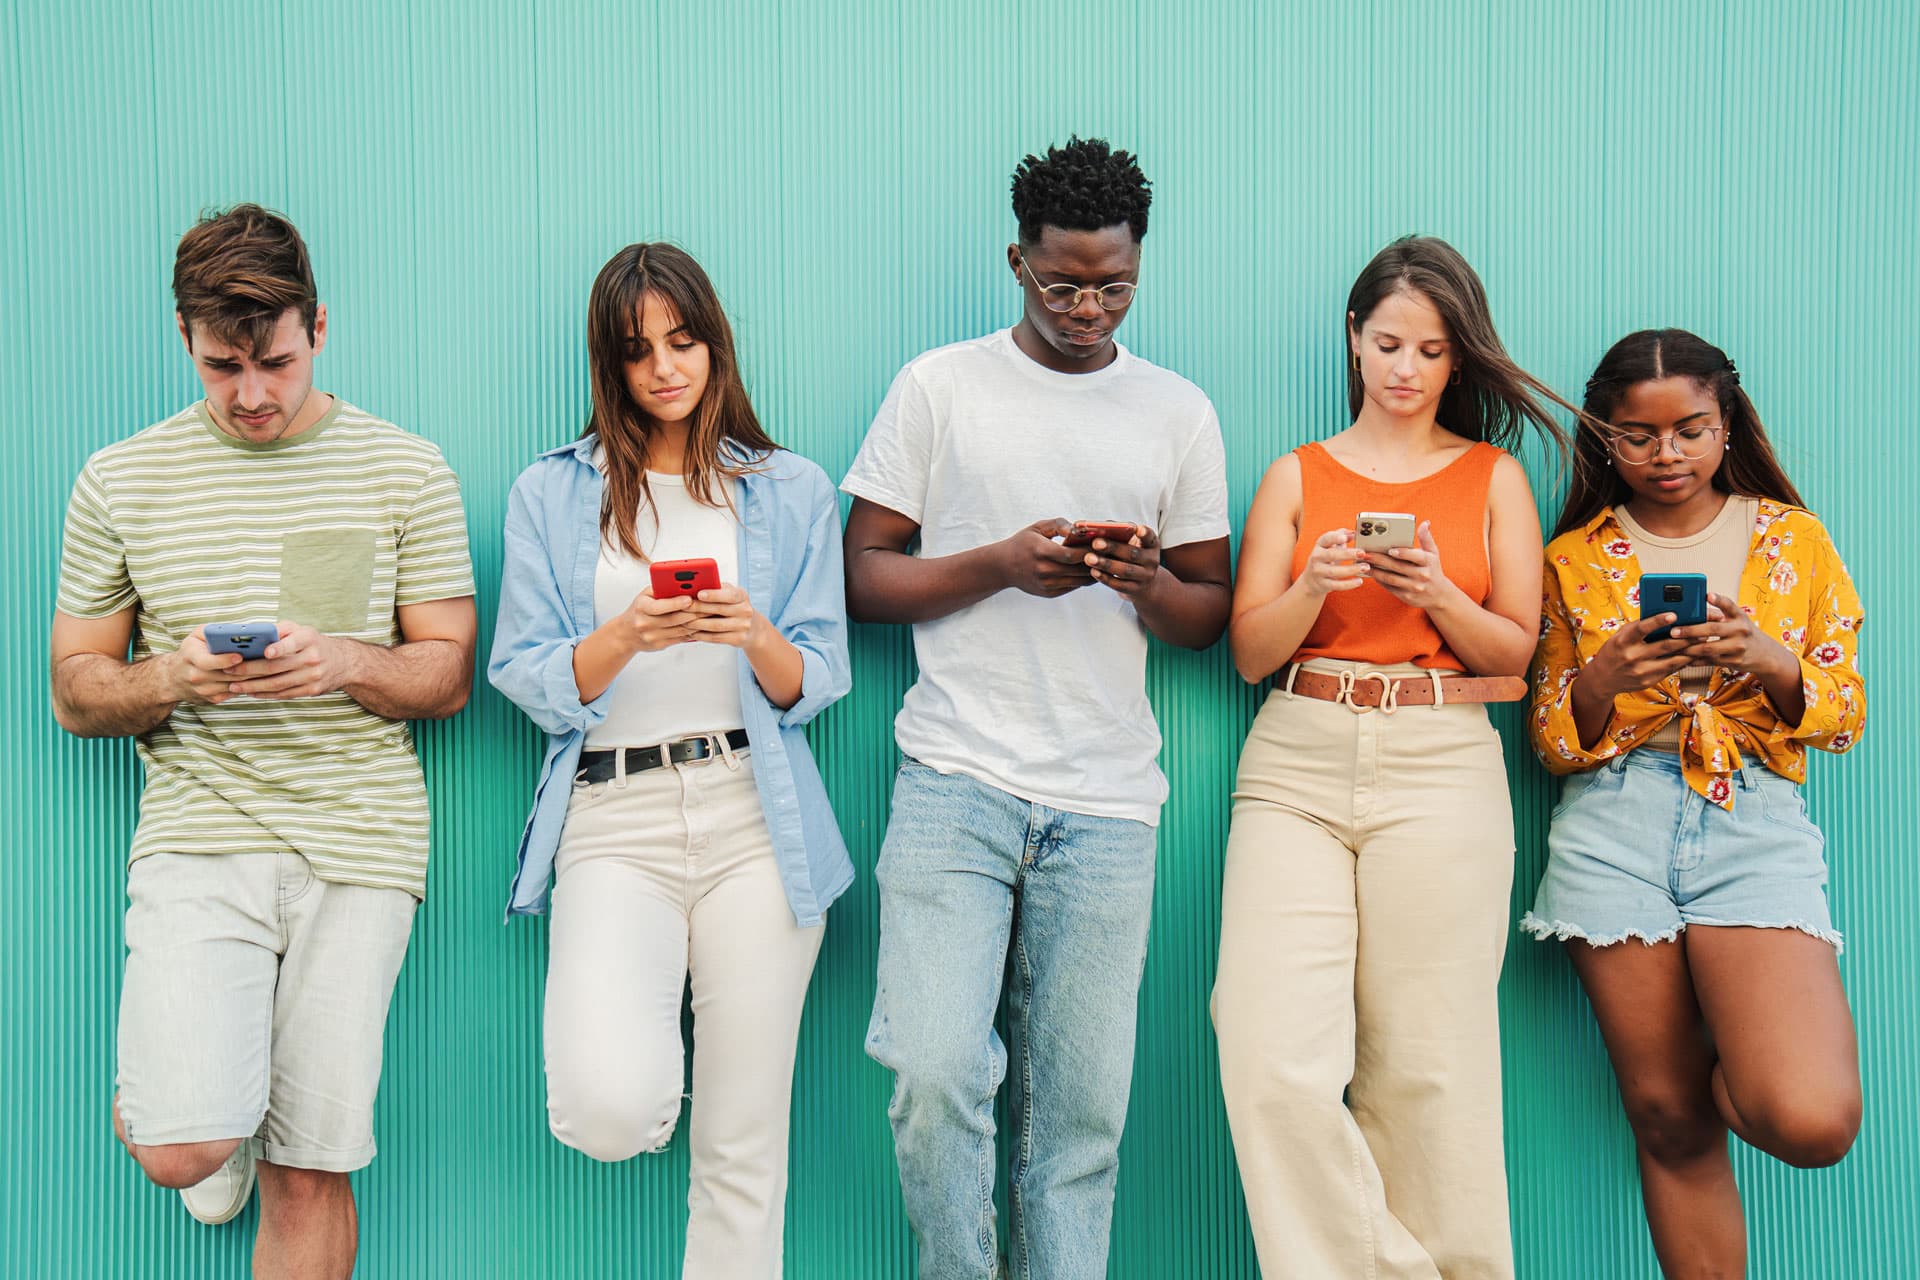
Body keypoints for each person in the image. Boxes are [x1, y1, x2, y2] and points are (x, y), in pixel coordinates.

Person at [49, 204, 476, 1277]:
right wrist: (168, 677)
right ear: (185, 341)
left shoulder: (407, 468)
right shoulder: (120, 478)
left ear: (319, 328)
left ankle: (247, 1116)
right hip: (201, 833)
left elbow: (449, 671)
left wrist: (346, 661)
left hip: (361, 842)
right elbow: (74, 688)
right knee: (177, 1143)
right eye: (221, 365)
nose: (250, 394)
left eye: (275, 362)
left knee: (311, 1166)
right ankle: (211, 1121)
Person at [842, 136, 1232, 1280]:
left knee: (1078, 1125)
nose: (1087, 307)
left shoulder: (1176, 411)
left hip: (1108, 802)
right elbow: (863, 575)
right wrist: (1001, 563)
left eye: (1113, 284)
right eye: (1063, 282)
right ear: (1016, 260)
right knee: (931, 1068)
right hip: (954, 780)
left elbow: (1207, 608)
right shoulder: (940, 385)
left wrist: (1142, 580)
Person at [489, 242, 851, 1278]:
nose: (665, 368)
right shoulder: (552, 492)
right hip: (612, 816)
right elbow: (524, 671)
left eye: (683, 340)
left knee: (743, 1145)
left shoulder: (789, 489)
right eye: (639, 348)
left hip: (756, 812)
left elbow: (817, 677)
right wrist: (627, 636)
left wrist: (750, 632)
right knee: (606, 1100)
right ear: (611, 363)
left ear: (714, 342)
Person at [1212, 235, 1569, 1279]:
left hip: (1443, 756)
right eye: (1388, 344)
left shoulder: (1493, 475)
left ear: (1460, 360)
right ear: (1355, 342)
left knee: (1433, 1066)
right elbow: (1248, 653)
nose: (1407, 370)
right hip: (1296, 760)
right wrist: (1316, 583)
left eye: (1432, 350)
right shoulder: (1296, 473)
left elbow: (1515, 655)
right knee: (1266, 1048)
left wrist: (1437, 594)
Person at [1522, 329, 1864, 1277]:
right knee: (1667, 1119)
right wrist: (1604, 677)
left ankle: (1747, 1050)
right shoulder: (1574, 558)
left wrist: (1771, 662)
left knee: (1810, 1117)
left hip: (1752, 818)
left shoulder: (1792, 539)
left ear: (1726, 424)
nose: (1664, 454)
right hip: (1612, 825)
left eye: (1689, 429)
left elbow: (1844, 716)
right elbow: (1552, 740)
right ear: (1604, 440)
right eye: (1636, 436)